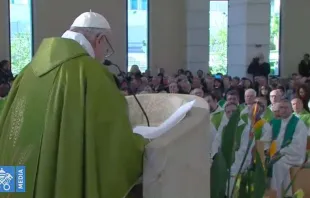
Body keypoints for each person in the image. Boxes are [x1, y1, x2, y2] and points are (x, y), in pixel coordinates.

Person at [0, 11, 145, 198]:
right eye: (107, 48)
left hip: (15, 181)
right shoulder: (90, 72)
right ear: (99, 40)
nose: (105, 55)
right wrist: (141, 145)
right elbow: (112, 138)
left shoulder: (28, 71)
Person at [262, 100, 308, 198]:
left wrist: (281, 152)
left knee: (279, 163)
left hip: (292, 155)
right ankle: (280, 194)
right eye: (281, 108)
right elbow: (266, 138)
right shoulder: (274, 122)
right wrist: (266, 149)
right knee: (264, 163)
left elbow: (297, 145)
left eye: (286, 108)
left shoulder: (298, 124)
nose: (283, 110)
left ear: (291, 109)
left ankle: (279, 195)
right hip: (274, 155)